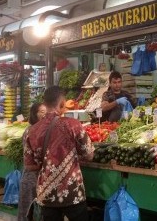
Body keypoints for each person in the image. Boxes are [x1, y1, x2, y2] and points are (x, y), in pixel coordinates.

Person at [25, 86, 94, 221]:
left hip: (46, 193)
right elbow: (89, 155)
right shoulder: (73, 125)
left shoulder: (31, 131)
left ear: (44, 103)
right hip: (72, 192)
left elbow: (29, 165)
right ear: (63, 104)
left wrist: (46, 163)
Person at [18, 102, 47, 221]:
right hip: (32, 178)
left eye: (46, 112)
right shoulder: (31, 131)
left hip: (41, 177)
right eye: (42, 112)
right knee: (27, 212)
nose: (45, 115)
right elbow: (30, 163)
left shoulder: (43, 130)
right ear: (35, 114)